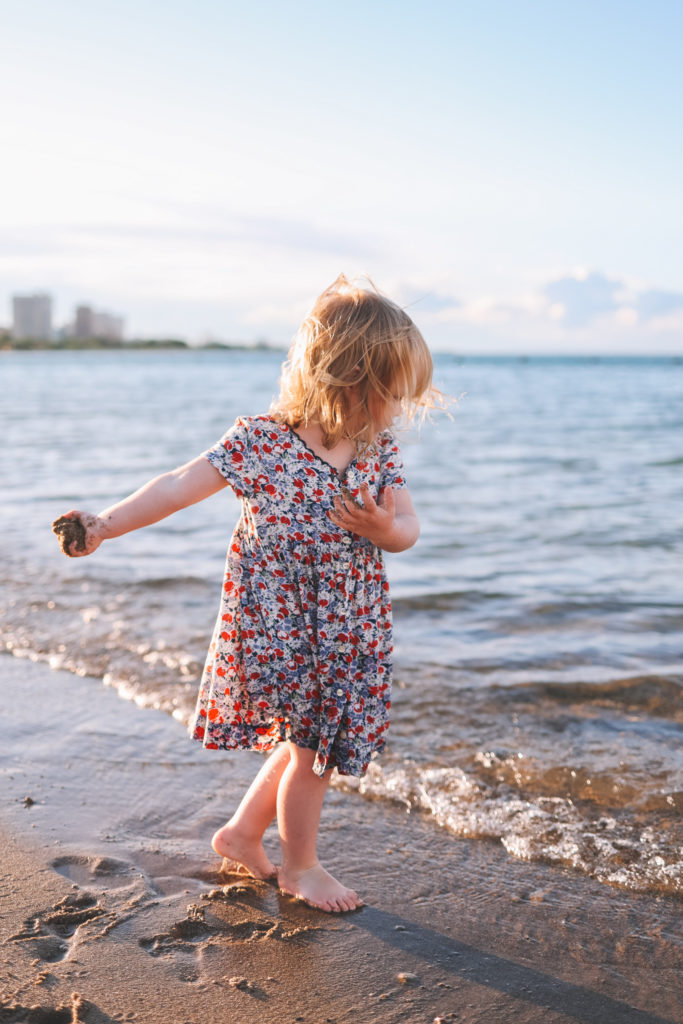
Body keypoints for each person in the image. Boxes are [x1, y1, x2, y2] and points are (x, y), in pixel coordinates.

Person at [53, 274, 437, 913]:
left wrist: (384, 528)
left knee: (307, 743)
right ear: (352, 378)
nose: (398, 408)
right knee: (313, 752)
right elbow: (177, 484)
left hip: (347, 623)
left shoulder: (377, 450)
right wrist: (106, 524)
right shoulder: (263, 441)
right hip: (283, 625)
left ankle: (240, 834)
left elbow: (411, 527)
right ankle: (302, 867)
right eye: (393, 393)